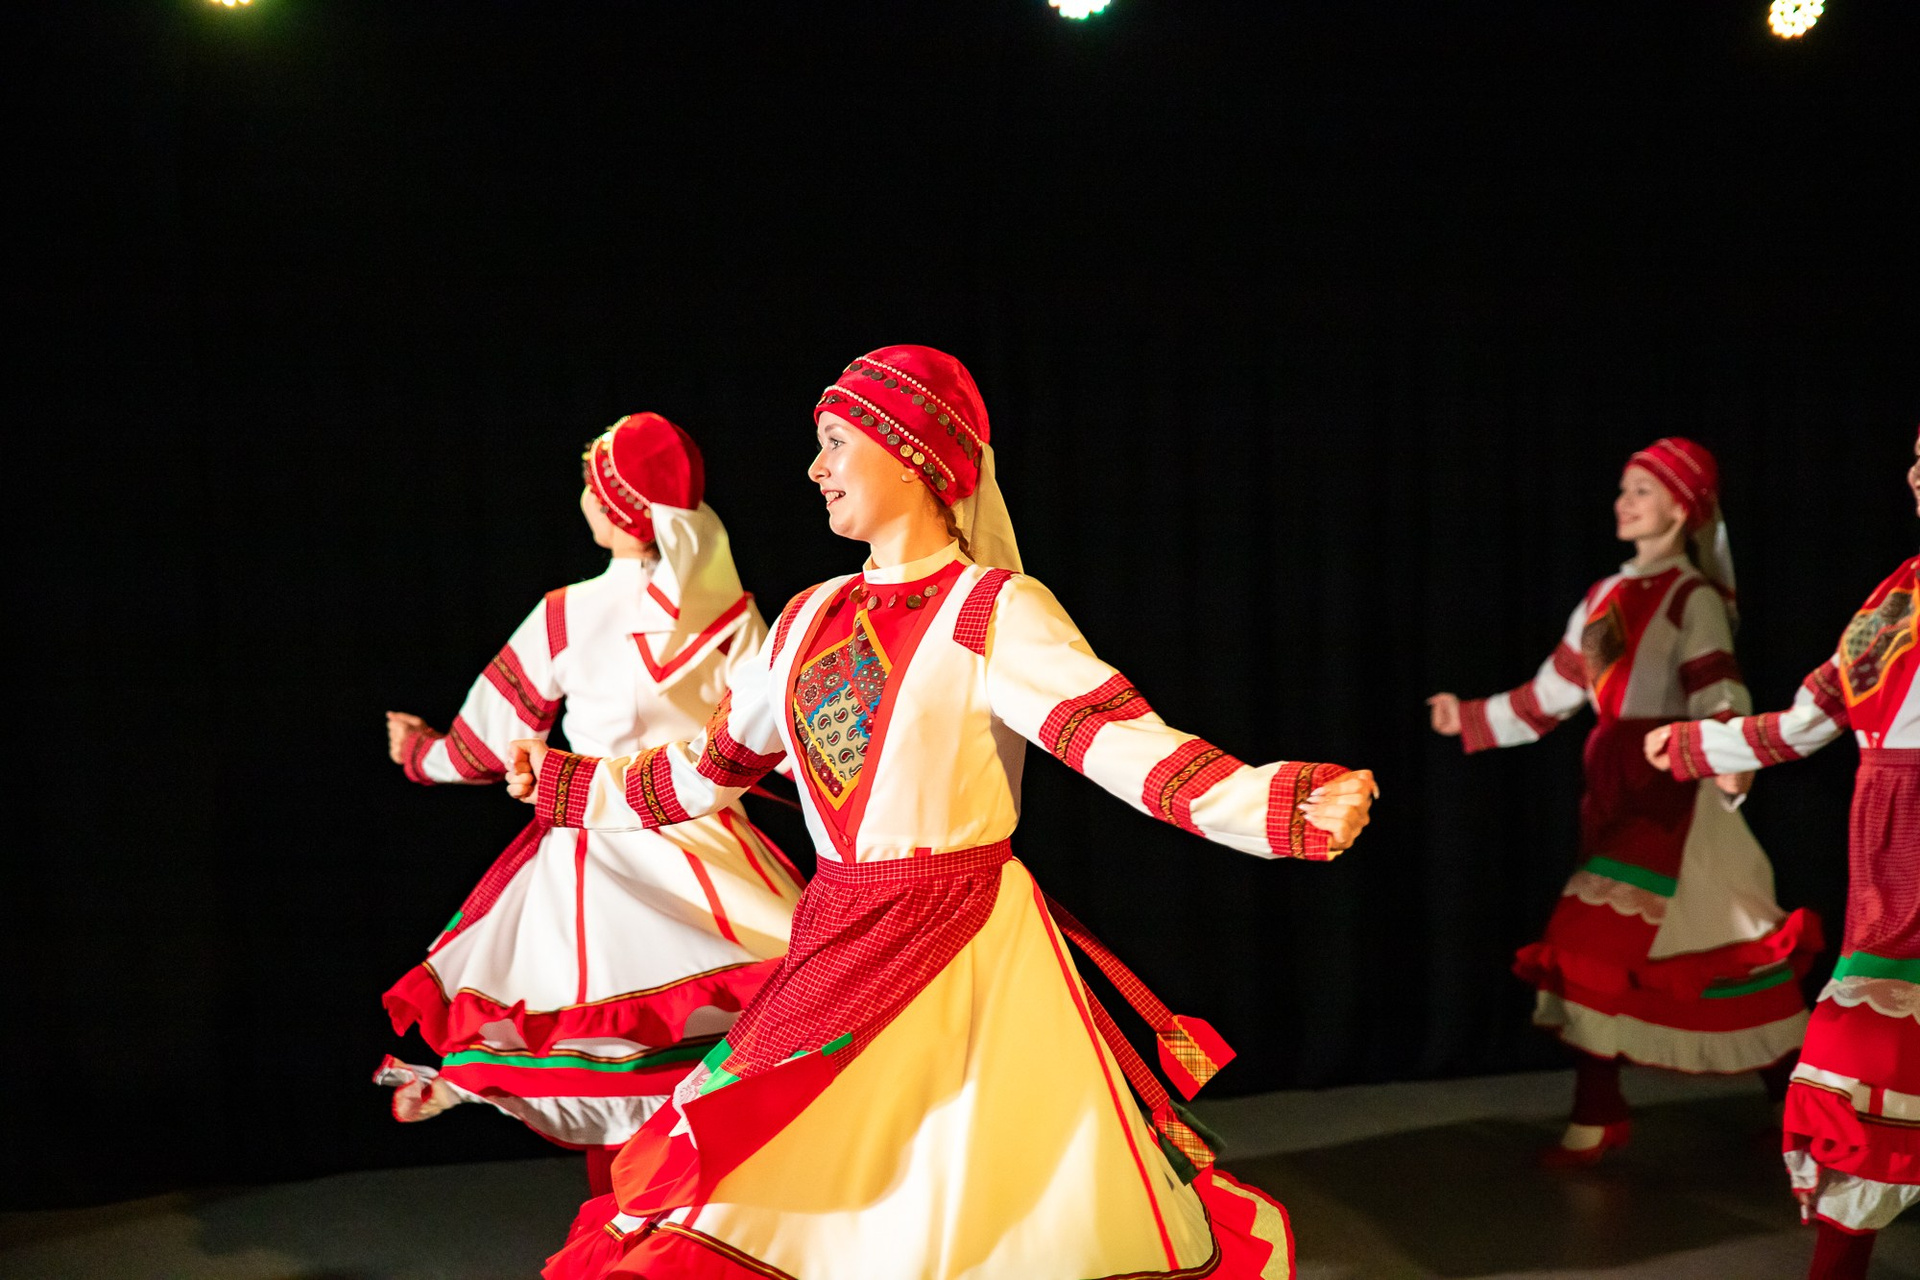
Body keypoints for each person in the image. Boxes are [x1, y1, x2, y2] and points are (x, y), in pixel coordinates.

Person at [508, 346, 1377, 1280]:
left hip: (964, 952)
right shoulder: (805, 618)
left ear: (912, 453)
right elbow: (706, 770)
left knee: (964, 1215)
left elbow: (1119, 745)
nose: (816, 469)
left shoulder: (990, 610)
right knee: (779, 1199)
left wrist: (1274, 805)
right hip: (837, 943)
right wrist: (568, 784)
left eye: (836, 443)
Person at [376, 412, 804, 1196]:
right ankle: (687, 1218)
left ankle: (619, 1214)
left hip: (596, 845)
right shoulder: (731, 615)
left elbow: (484, 746)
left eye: (589, 485)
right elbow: (771, 737)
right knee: (736, 1028)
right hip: (710, 846)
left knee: (604, 1039)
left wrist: (417, 753)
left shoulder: (566, 614)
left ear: (612, 506)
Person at [1429, 438, 1818, 1166]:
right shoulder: (1605, 597)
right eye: (1622, 489)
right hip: (1617, 792)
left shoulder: (1692, 598)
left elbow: (1719, 690)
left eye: (1641, 490)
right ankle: (1736, 1101)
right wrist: (1471, 717)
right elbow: (1556, 692)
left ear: (1682, 507)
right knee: (1706, 950)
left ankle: (1606, 1111)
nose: (1623, 502)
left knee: (1608, 943)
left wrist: (1728, 759)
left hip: (1674, 793)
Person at [1646, 428, 1920, 1280]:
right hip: (1895, 859)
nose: (1917, 474)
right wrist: (1697, 746)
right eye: (1918, 455)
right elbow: (1809, 722)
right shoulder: (1897, 598)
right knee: (1861, 1070)